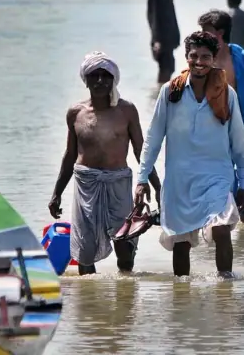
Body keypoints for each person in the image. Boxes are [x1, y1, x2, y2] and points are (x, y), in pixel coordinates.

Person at [134, 31, 244, 278]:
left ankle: (225, 292)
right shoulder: (171, 92)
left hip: (216, 177)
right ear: (186, 57)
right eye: (194, 56)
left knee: (222, 229)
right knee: (181, 244)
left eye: (205, 57)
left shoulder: (226, 94)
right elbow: (153, 139)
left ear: (214, 59)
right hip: (180, 181)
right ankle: (182, 297)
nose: (199, 62)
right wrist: (142, 179)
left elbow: (239, 143)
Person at [48, 51, 161, 276]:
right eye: (94, 75)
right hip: (86, 183)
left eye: (105, 76)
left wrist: (157, 186)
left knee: (124, 246)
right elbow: (70, 155)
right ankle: (92, 306)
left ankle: (125, 293)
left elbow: (141, 150)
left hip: (117, 182)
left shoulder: (126, 110)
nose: (100, 80)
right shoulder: (75, 113)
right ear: (86, 80)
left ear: (113, 79)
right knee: (85, 248)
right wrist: (56, 193)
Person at [198, 9, 244, 223]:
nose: (201, 37)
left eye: (206, 32)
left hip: (239, 134)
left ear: (220, 33)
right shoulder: (200, 62)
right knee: (210, 201)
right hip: (208, 138)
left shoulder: (243, 61)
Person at [147, 0, 181, 85]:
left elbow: (172, 16)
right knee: (164, 70)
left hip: (169, 39)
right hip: (161, 40)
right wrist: (156, 41)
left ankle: (162, 95)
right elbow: (153, 19)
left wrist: (177, 36)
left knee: (170, 68)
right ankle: (160, 97)